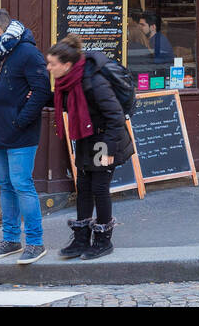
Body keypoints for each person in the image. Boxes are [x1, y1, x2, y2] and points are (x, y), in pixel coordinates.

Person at [45, 34, 135, 260]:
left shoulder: (94, 81)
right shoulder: (68, 80)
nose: (48, 68)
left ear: (66, 65)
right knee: (83, 187)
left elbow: (116, 117)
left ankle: (103, 240)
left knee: (99, 187)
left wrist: (110, 152)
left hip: (104, 139)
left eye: (52, 64)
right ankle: (81, 239)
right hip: (86, 137)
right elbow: (65, 103)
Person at [0, 8, 52, 264]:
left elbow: (42, 91)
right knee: (5, 186)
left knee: (22, 184)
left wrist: (20, 120)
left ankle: (35, 242)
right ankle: (10, 240)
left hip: (20, 132)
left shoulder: (28, 53)